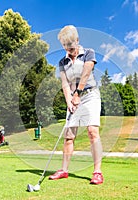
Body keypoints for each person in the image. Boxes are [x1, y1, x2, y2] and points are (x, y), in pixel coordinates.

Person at [49, 25, 103, 185]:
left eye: (71, 44)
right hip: (73, 99)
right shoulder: (62, 62)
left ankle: (97, 172)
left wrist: (78, 94)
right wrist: (69, 102)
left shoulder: (88, 53)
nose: (68, 48)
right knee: (68, 136)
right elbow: (65, 84)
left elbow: (86, 74)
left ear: (77, 40)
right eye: (65, 45)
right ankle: (64, 170)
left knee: (92, 131)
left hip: (90, 95)